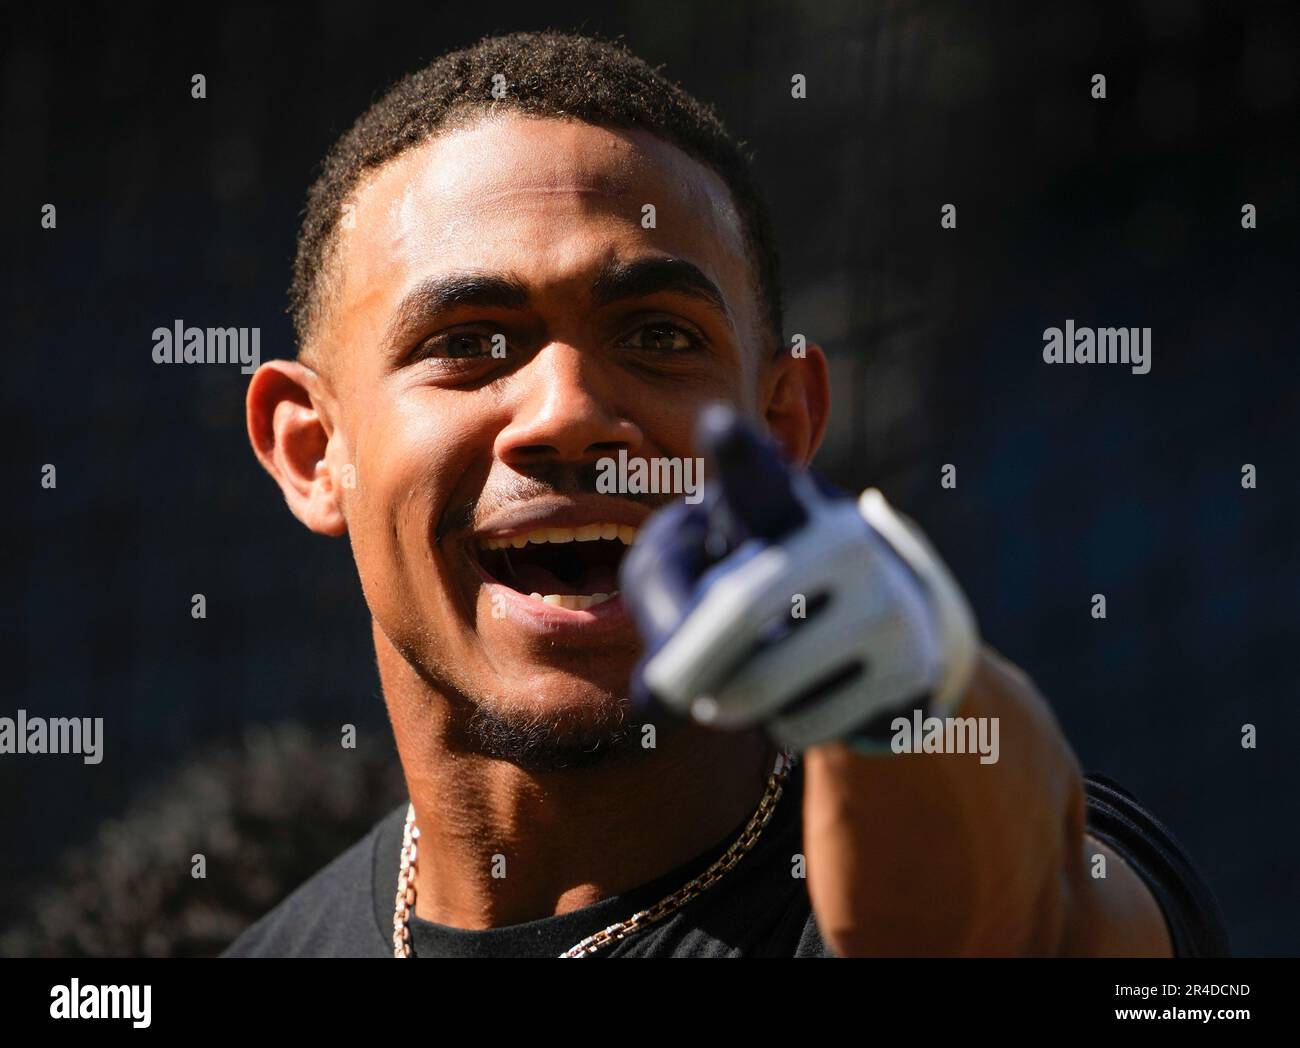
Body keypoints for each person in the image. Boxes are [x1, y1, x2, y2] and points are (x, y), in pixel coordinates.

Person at [226, 30, 1228, 958]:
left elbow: (1017, 913)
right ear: (313, 450)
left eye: (658, 336)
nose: (568, 412)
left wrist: (908, 704)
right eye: (467, 343)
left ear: (784, 425)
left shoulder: (1018, 864)